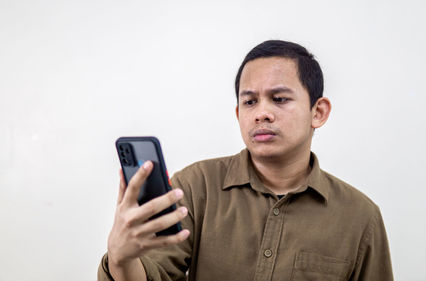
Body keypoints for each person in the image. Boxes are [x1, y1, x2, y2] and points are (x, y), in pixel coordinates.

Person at [98, 40, 393, 281]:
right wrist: (122, 260)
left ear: (318, 112)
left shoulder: (360, 216)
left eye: (279, 99)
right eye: (249, 101)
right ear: (239, 114)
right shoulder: (196, 186)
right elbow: (154, 275)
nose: (261, 113)